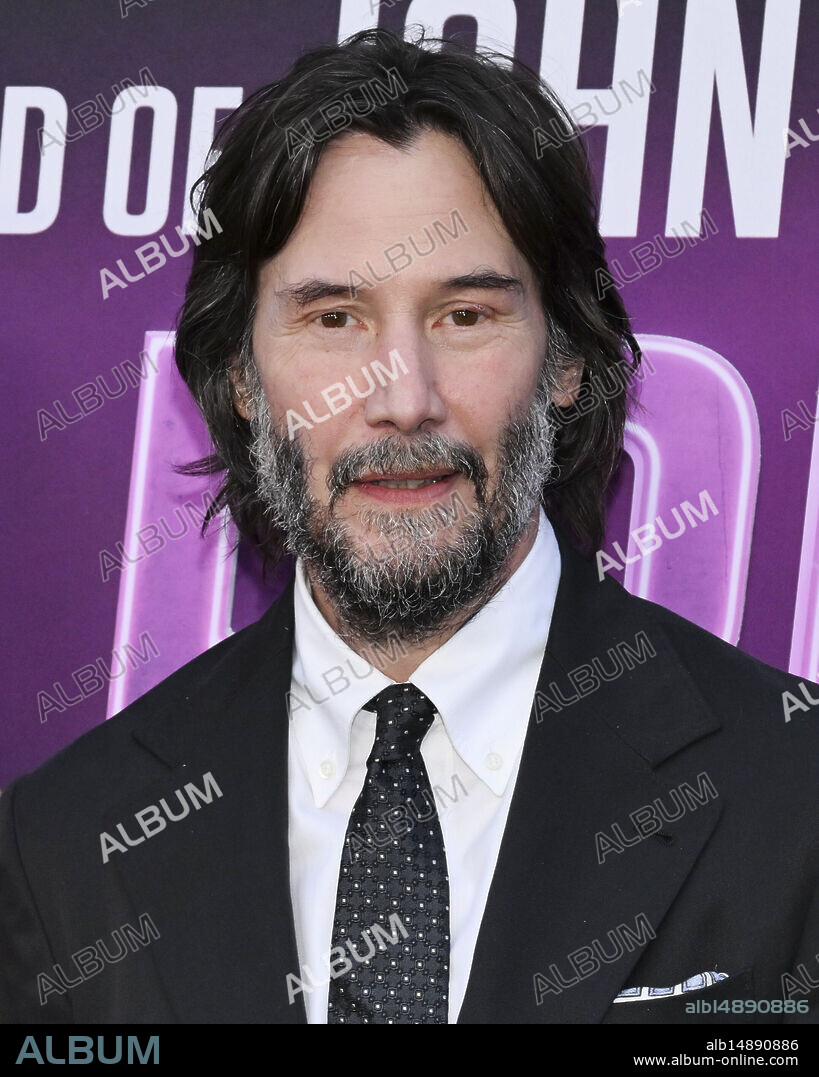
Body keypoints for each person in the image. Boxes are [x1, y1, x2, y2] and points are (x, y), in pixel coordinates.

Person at [1, 29, 817, 1026]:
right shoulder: (68, 843)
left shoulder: (794, 794)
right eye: (333, 318)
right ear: (242, 379)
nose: (402, 398)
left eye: (465, 316)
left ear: (566, 362)